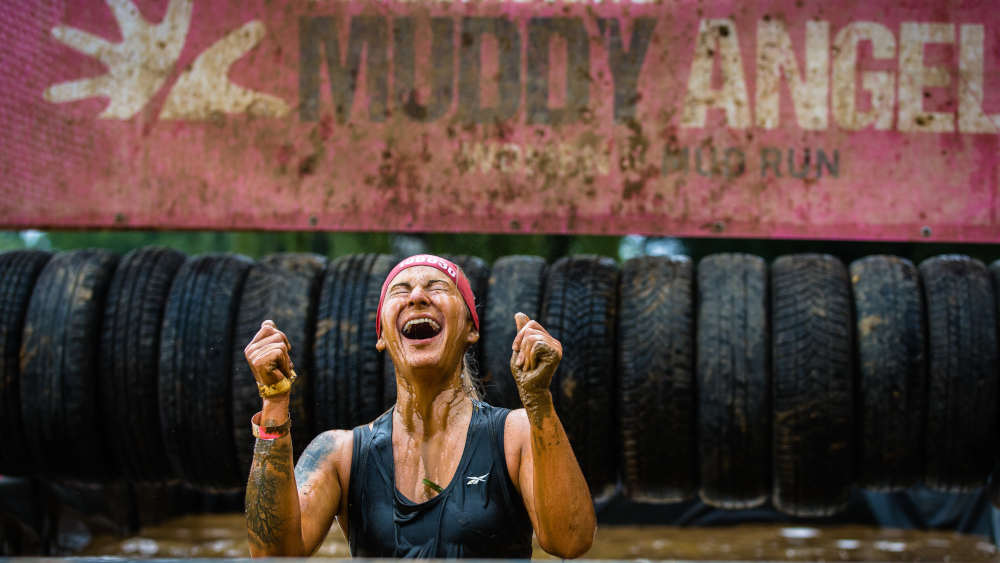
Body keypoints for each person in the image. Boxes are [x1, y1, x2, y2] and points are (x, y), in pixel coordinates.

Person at [243, 254, 596, 558]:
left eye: (437, 287)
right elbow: (273, 556)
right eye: (401, 290)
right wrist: (273, 400)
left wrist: (539, 401)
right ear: (381, 335)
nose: (416, 297)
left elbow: (571, 540)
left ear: (471, 328)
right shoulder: (340, 454)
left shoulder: (515, 436)